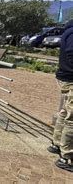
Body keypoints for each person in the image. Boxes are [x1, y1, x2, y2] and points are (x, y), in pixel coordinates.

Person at [49, 20, 73, 172]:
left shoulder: (68, 31)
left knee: (64, 112)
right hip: (70, 78)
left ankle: (56, 143)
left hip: (66, 77)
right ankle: (67, 156)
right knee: (72, 117)